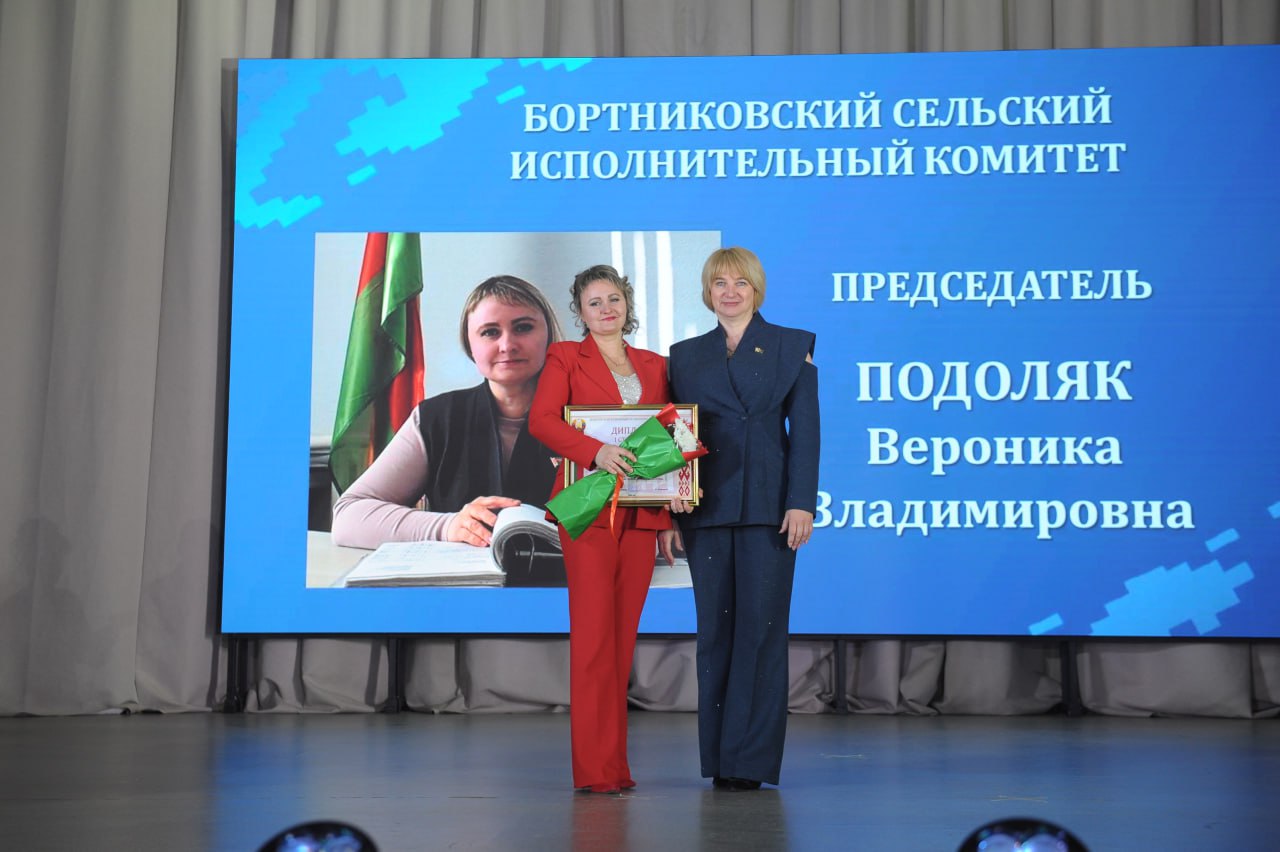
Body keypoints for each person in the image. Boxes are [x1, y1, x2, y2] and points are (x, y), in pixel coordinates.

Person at [667, 246, 820, 791]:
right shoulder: (684, 356)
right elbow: (676, 436)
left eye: (740, 283)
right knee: (715, 634)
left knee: (760, 632)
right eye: (719, 283)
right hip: (705, 507)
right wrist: (670, 503)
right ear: (707, 292)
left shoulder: (792, 346)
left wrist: (801, 501)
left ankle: (750, 762)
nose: (729, 292)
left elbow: (806, 432)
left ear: (757, 290)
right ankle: (719, 759)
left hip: (770, 509)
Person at [529, 264, 679, 794]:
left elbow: (667, 442)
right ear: (580, 311)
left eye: (613, 299)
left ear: (627, 303)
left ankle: (615, 767)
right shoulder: (565, 357)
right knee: (594, 639)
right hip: (588, 509)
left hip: (641, 513)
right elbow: (542, 421)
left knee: (621, 640)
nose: (606, 309)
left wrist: (667, 517)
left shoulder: (655, 365)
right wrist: (596, 451)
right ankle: (594, 771)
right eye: (594, 302)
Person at [331, 275, 564, 579]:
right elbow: (348, 517)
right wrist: (448, 526)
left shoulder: (591, 417)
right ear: (470, 346)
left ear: (549, 336)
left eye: (523, 327)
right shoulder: (435, 419)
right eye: (490, 332)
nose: (507, 345)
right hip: (460, 597)